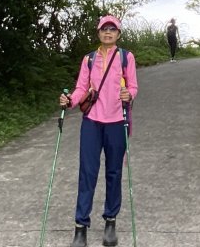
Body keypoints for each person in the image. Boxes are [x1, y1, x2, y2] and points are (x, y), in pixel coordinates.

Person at [58, 14, 138, 247]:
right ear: (98, 33)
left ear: (118, 34)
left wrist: (129, 94)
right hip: (92, 121)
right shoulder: (89, 59)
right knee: (87, 173)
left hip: (116, 122)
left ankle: (110, 223)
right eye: (104, 29)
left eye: (112, 30)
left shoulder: (126, 57)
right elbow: (81, 87)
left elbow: (132, 85)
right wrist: (69, 100)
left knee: (114, 173)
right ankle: (80, 227)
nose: (108, 33)